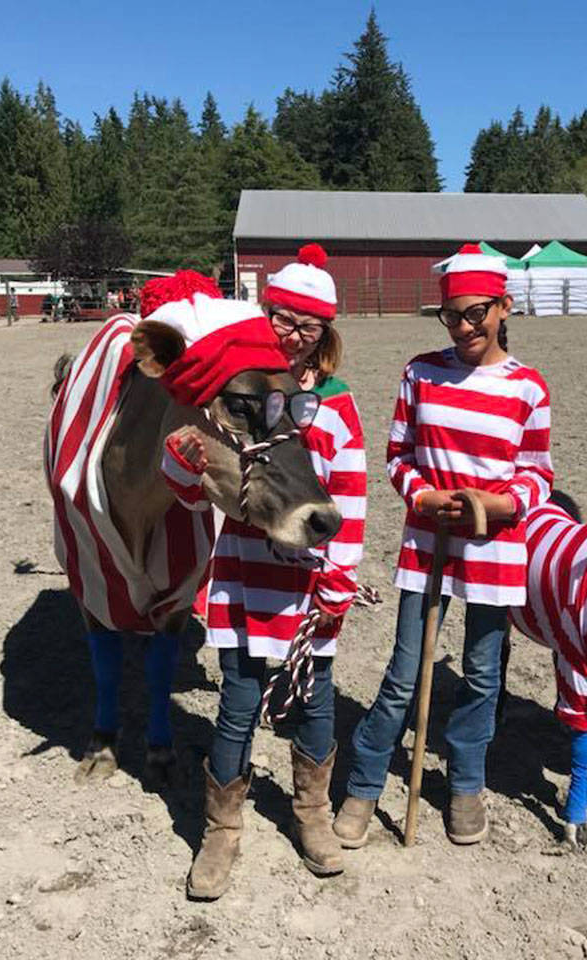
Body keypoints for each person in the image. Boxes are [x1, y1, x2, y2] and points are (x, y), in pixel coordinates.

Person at [161, 244, 366, 900]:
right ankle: (220, 830)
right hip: (246, 580)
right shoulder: (229, 398)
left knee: (314, 707)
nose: (294, 336)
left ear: (325, 335)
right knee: (237, 707)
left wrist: (336, 585)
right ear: (263, 316)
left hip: (308, 589)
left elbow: (352, 503)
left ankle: (311, 816)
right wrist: (181, 463)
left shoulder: (337, 406)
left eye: (309, 326)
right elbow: (193, 489)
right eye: (282, 319)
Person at [334, 243, 553, 848]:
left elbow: (538, 475)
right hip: (427, 545)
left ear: (504, 306)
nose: (462, 327)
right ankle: (364, 784)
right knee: (405, 672)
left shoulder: (528, 387)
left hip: (495, 548)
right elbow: (398, 456)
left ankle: (466, 783)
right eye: (451, 315)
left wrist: (498, 506)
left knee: (482, 675)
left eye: (475, 313)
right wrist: (425, 499)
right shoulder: (420, 372)